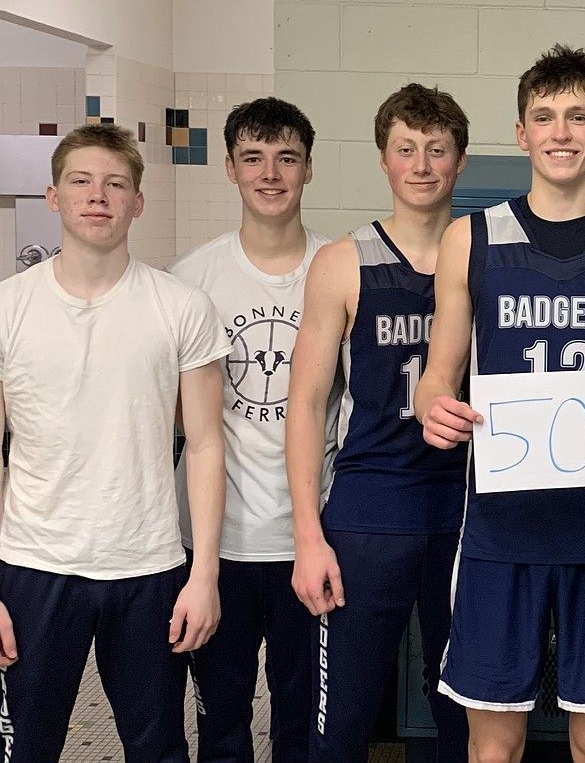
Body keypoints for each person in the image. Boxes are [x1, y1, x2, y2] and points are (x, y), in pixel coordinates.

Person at [415, 44, 585, 763]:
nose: (561, 132)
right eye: (544, 117)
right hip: (500, 526)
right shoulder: (470, 238)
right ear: (521, 133)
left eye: (578, 116)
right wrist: (435, 405)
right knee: (493, 746)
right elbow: (436, 378)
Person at [0, 124, 229, 762]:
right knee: (25, 747)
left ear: (137, 202)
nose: (97, 196)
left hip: (147, 566)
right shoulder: (9, 308)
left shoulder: (181, 307)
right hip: (33, 566)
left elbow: (206, 445)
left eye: (115, 184)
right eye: (81, 181)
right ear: (53, 197)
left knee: (157, 748)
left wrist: (204, 575)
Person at [285, 83, 471, 763]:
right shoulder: (343, 262)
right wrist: (308, 536)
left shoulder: (484, 257)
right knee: (344, 714)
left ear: (460, 161)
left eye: (436, 150)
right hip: (368, 513)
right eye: (406, 149)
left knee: (465, 712)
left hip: (465, 513)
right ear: (384, 160)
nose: (421, 165)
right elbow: (306, 404)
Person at [168, 97, 335, 762]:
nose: (270, 174)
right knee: (222, 724)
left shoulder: (339, 267)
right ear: (230, 168)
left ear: (309, 169)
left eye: (286, 158)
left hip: (311, 540)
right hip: (215, 545)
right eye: (254, 158)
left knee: (303, 723)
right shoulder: (190, 279)